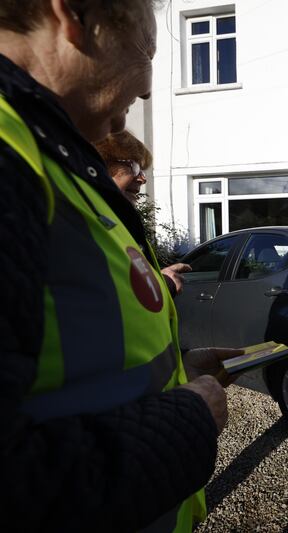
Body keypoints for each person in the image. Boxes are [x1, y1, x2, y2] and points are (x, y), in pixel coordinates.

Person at [0, 1, 242, 531]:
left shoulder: (48, 156)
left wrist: (176, 376)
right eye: (148, 49)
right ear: (75, 16)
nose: (152, 87)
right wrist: (186, 422)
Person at [94, 129, 191, 296]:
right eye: (134, 167)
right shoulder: (91, 223)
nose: (142, 179)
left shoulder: (118, 221)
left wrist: (157, 278)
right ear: (102, 165)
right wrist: (166, 284)